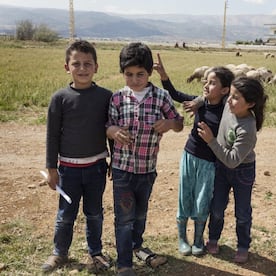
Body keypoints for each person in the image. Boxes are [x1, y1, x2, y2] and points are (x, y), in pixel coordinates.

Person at [106, 42, 184, 276]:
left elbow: (179, 123)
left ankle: (136, 245)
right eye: (129, 74)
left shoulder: (161, 97)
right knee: (124, 217)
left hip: (147, 170)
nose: (135, 79)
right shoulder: (118, 98)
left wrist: (170, 124)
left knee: (140, 214)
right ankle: (124, 263)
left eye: (140, 74)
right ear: (123, 73)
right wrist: (111, 131)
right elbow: (108, 124)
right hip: (122, 169)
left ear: (150, 73)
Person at [42, 40, 113, 272]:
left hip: (97, 168)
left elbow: (111, 130)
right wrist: (52, 169)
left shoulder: (106, 97)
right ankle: (59, 253)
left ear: (96, 67)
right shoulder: (59, 98)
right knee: (65, 215)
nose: (82, 69)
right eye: (76, 64)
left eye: (87, 64)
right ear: (67, 67)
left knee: (94, 213)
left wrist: (115, 160)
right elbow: (52, 136)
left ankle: (96, 253)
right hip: (68, 170)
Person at [154, 54, 234, 256]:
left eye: (213, 83)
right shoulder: (199, 102)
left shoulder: (227, 111)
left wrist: (202, 100)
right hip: (189, 156)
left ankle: (198, 239)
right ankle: (182, 238)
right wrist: (163, 75)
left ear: (225, 90)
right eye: (206, 81)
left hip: (209, 163)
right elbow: (173, 93)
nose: (206, 85)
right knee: (185, 197)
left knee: (202, 200)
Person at [198, 76, 268, 264]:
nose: (229, 99)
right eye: (230, 94)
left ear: (250, 104)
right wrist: (197, 102)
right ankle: (213, 239)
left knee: (242, 212)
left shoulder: (247, 128)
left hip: (241, 170)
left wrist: (211, 140)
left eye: (236, 97)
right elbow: (209, 96)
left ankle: (243, 246)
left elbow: (233, 160)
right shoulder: (229, 106)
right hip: (221, 167)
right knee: (217, 207)